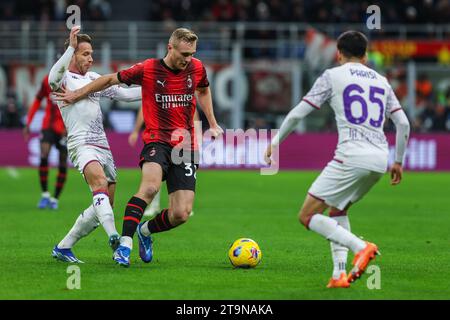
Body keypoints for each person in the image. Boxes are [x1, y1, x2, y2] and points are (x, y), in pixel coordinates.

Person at [55, 27, 223, 267]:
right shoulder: (149, 68)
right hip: (157, 140)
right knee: (150, 187)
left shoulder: (196, 67)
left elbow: (204, 90)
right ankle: (124, 245)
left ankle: (144, 232)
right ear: (170, 48)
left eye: (191, 54)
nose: (188, 59)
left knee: (181, 214)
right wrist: (77, 94)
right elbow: (110, 79)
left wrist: (213, 123)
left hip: (185, 145)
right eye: (184, 54)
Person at [265, 31, 410, 288]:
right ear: (365, 56)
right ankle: (338, 275)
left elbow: (299, 114)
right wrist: (398, 161)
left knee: (307, 215)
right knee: (338, 210)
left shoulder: (333, 76)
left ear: (339, 54)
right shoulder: (382, 81)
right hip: (380, 160)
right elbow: (403, 123)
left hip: (351, 156)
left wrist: (275, 142)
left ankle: (361, 246)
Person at [48, 26, 142, 263]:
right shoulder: (64, 79)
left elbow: (127, 95)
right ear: (73, 55)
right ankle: (115, 237)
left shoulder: (92, 79)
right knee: (98, 184)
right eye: (85, 53)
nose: (91, 58)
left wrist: (156, 86)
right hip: (81, 144)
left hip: (103, 146)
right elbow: (52, 79)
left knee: (106, 202)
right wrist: (70, 47)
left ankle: (64, 246)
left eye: (91, 54)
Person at [23, 74, 68, 210]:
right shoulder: (47, 80)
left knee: (62, 163)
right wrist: (28, 122)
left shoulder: (72, 80)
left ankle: (55, 199)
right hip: (48, 126)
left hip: (65, 128)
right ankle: (45, 194)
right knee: (43, 156)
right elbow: (38, 100)